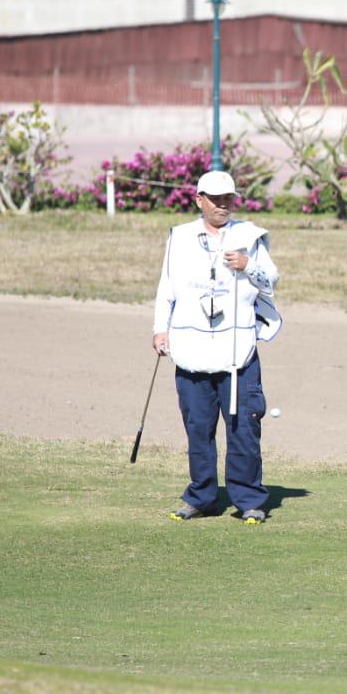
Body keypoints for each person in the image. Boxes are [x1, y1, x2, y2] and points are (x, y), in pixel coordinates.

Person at [151, 169, 281, 523]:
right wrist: (160, 329)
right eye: (216, 199)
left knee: (243, 430)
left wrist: (249, 265)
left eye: (228, 199)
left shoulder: (249, 235)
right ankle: (202, 497)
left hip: (237, 352)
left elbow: (272, 281)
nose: (223, 205)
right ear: (200, 199)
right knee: (198, 429)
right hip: (191, 349)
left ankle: (249, 499)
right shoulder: (179, 237)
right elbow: (167, 287)